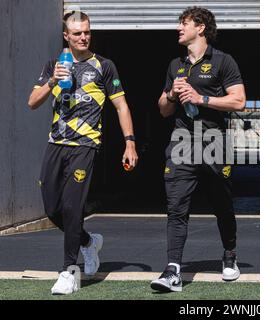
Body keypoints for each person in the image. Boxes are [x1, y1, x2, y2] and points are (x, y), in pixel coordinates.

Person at [28, 11, 138, 295]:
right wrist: (52, 80)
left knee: (72, 207)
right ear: (66, 35)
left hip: (86, 145)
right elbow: (32, 102)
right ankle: (89, 242)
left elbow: (121, 106)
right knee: (53, 209)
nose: (83, 37)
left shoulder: (104, 66)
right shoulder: (54, 64)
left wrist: (129, 141)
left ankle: (68, 271)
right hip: (56, 144)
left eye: (87, 31)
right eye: (77, 33)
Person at [151, 7, 246, 292]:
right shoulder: (175, 65)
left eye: (184, 24)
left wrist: (200, 97)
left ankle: (229, 255)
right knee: (176, 207)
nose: (179, 28)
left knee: (222, 204)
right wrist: (170, 94)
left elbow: (239, 101)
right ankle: (173, 270)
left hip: (214, 141)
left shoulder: (223, 61)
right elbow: (163, 110)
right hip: (181, 143)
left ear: (201, 28)